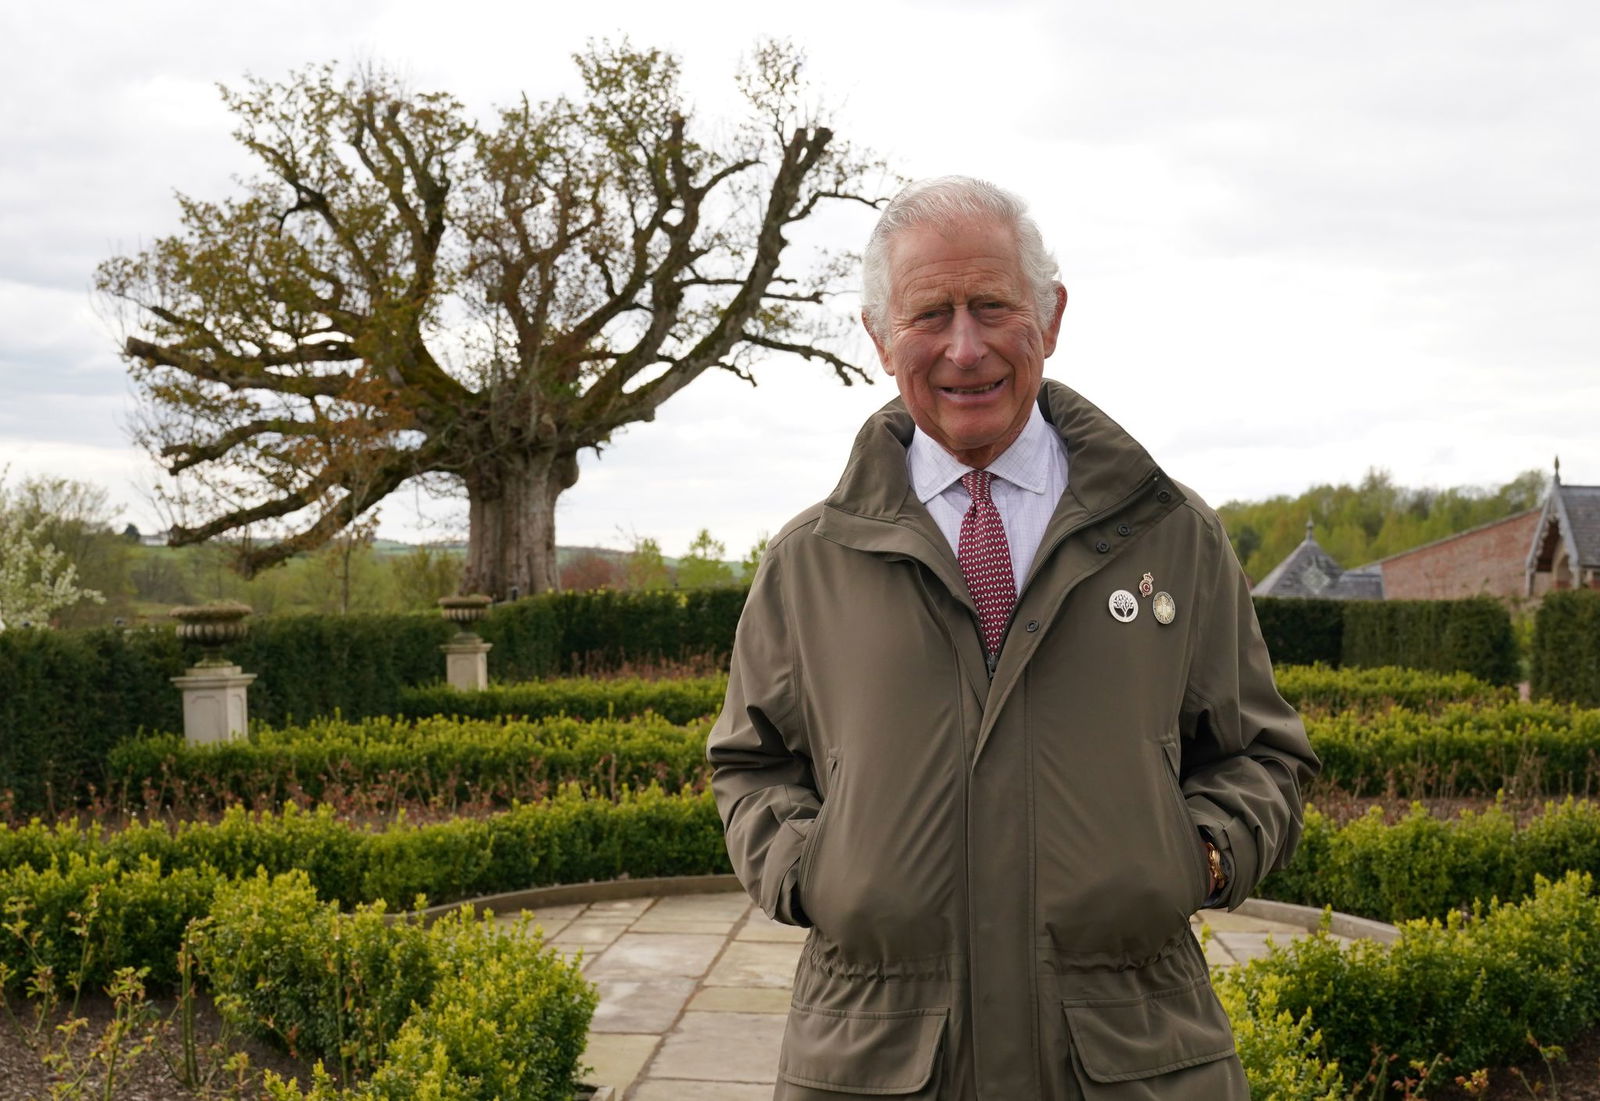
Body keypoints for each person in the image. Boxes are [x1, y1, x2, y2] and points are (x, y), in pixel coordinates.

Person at [707, 176, 1318, 1100]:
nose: (965, 346)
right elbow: (750, 764)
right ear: (878, 337)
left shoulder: (1172, 536)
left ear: (1051, 315)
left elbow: (1260, 752)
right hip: (876, 1056)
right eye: (930, 314)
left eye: (993, 305)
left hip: (1133, 1053)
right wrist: (812, 874)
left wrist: (1199, 855)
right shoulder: (810, 560)